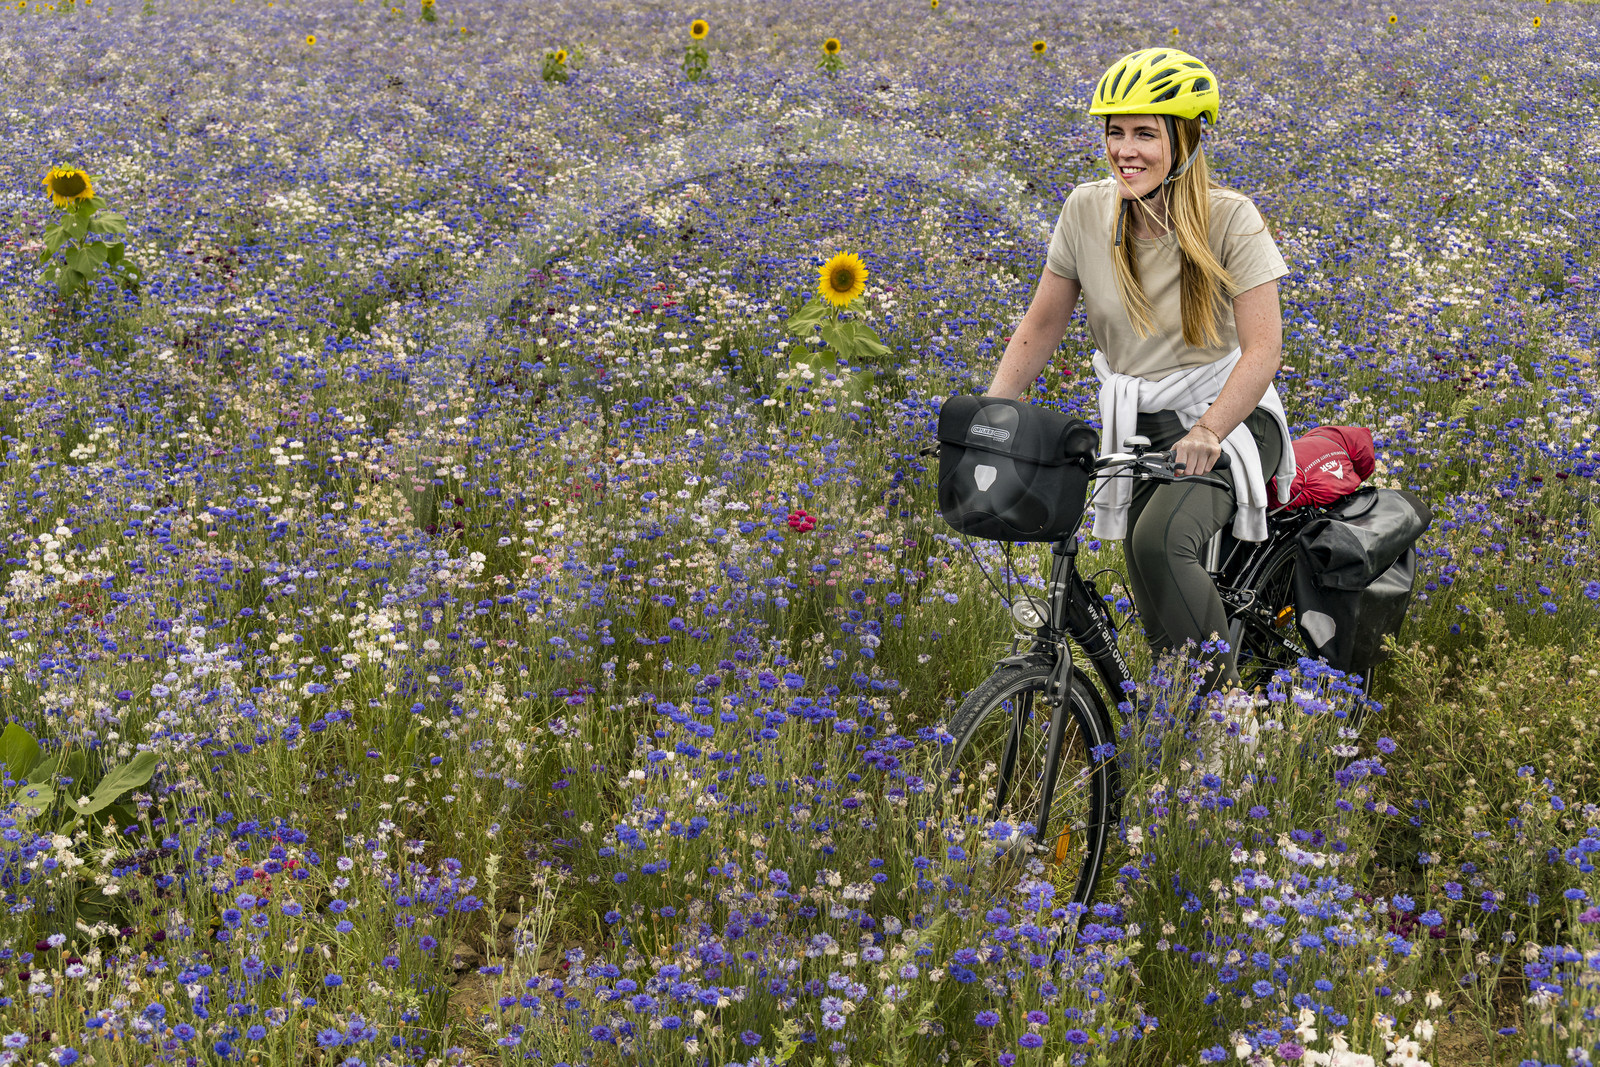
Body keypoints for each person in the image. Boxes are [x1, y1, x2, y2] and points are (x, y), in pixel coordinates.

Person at [985, 47, 1297, 689]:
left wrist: (1209, 430)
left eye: (1145, 134)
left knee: (1159, 543)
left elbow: (1264, 349)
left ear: (1185, 139)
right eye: (1115, 132)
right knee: (1142, 562)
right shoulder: (1085, 210)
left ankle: (1226, 725)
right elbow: (1042, 323)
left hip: (1231, 418)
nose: (1126, 150)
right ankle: (1174, 705)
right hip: (1139, 422)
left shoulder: (1229, 217)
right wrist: (993, 413)